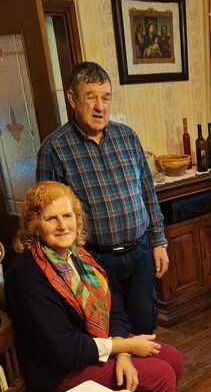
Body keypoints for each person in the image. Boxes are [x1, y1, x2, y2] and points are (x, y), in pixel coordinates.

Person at [5, 181, 182, 392]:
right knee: (161, 376)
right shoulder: (26, 271)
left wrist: (124, 353)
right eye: (51, 219)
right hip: (57, 369)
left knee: (173, 359)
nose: (62, 226)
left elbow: (114, 309)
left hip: (95, 344)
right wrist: (123, 346)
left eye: (67, 216)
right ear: (34, 225)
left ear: (77, 219)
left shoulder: (80, 256)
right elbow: (63, 350)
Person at [36, 61, 168, 335]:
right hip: (94, 260)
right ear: (73, 99)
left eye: (105, 97)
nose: (100, 106)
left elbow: (148, 193)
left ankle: (149, 378)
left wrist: (159, 242)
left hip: (140, 252)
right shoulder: (54, 149)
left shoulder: (127, 137)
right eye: (91, 97)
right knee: (109, 333)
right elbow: (47, 217)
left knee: (145, 327)